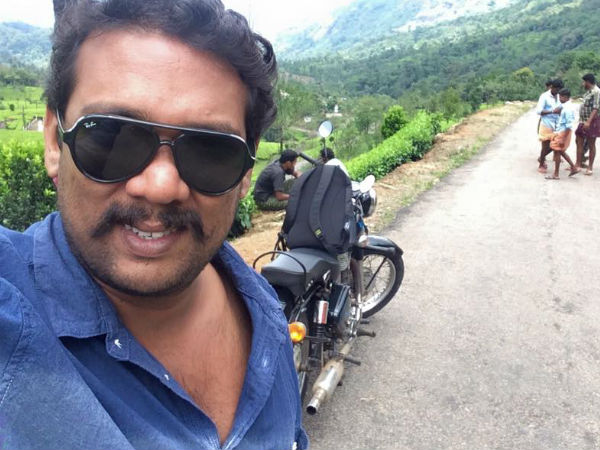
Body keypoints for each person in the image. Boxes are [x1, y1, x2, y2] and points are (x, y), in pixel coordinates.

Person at [0, 1, 308, 449]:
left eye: (210, 151)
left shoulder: (264, 312)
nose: (161, 187)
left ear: (245, 172)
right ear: (53, 140)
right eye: (112, 136)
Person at [546, 88, 579, 180]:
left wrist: (563, 138)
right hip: (562, 131)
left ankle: (556, 174)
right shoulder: (567, 106)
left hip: (563, 132)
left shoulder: (567, 109)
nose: (559, 99)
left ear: (566, 97)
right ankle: (573, 167)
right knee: (560, 151)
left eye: (561, 97)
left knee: (557, 151)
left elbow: (568, 125)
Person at [575, 73, 600, 175]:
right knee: (579, 141)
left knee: (591, 144)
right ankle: (577, 165)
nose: (583, 84)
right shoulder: (588, 92)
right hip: (582, 120)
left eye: (584, 82)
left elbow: (595, 108)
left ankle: (590, 167)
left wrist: (589, 122)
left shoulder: (597, 91)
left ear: (588, 82)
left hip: (591, 121)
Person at [536, 79, 563, 173]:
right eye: (556, 89)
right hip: (546, 123)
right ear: (552, 87)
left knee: (556, 145)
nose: (557, 91)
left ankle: (542, 158)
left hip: (557, 124)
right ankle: (541, 164)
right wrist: (552, 111)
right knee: (545, 146)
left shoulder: (560, 96)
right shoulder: (544, 96)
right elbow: (539, 111)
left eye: (559, 90)